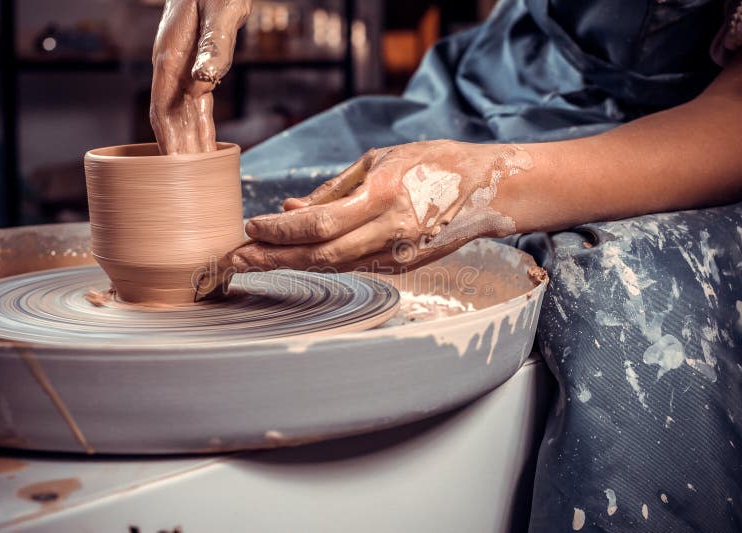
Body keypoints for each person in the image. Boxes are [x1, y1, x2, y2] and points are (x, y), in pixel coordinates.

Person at [152, 1, 742, 531]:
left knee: (613, 303)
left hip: (686, 135)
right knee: (242, 201)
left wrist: (488, 188)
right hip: (514, 71)